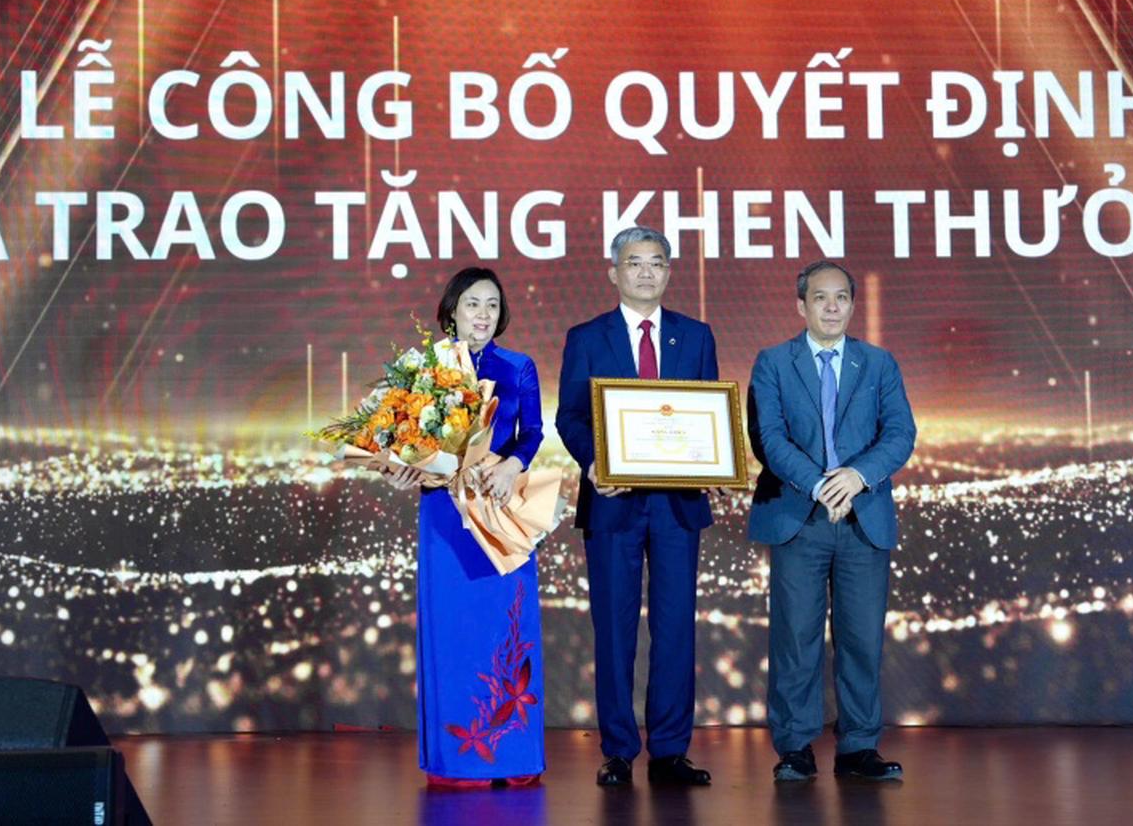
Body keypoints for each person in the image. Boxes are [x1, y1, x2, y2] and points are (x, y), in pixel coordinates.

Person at [555, 226, 718, 788]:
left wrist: (714, 464)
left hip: (678, 504)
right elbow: (570, 416)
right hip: (612, 502)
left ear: (669, 272)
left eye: (657, 262)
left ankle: (670, 751)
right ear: (614, 272)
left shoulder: (695, 336)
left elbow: (706, 414)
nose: (646, 272)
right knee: (614, 629)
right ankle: (619, 750)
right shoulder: (586, 337)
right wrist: (593, 463)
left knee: (675, 628)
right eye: (634, 262)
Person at [746, 261, 916, 783]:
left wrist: (857, 478)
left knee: (862, 639)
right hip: (800, 517)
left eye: (841, 297)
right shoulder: (773, 362)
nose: (832, 307)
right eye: (821, 297)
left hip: (863, 517)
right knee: (796, 639)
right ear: (801, 306)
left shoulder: (879, 363)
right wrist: (822, 485)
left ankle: (859, 746)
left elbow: (900, 433)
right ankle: (795, 746)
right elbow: (769, 438)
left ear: (852, 304)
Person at [385, 267, 545, 788]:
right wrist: (401, 468)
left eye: (492, 305)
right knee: (452, 629)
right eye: (473, 303)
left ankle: (512, 755)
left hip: (500, 506)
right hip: (445, 513)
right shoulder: (426, 369)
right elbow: (403, 439)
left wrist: (512, 465)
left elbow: (532, 432)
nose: (483, 314)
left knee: (506, 623)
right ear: (452, 310)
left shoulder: (518, 366)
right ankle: (459, 761)